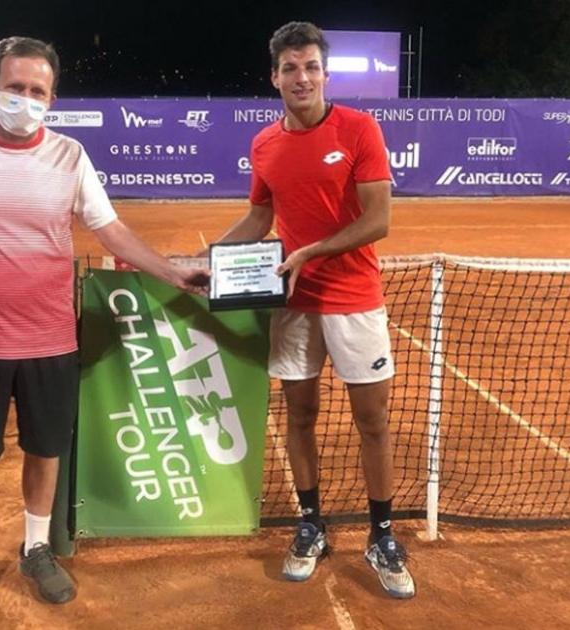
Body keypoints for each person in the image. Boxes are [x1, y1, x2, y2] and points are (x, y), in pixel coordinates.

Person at [0, 36, 210, 621]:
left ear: (52, 97)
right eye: (16, 88)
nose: (26, 100)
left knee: (45, 450)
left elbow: (112, 232)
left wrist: (174, 273)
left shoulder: (70, 156)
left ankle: (37, 547)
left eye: (38, 91)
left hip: (51, 338)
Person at [209, 21, 415, 598]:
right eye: (290, 68)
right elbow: (258, 218)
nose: (302, 77)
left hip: (354, 299)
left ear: (325, 72)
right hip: (293, 303)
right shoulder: (265, 144)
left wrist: (312, 251)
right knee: (300, 416)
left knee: (372, 422)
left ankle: (381, 534)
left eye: (311, 67)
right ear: (273, 77)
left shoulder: (359, 128)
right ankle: (310, 523)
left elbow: (379, 220)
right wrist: (213, 260)